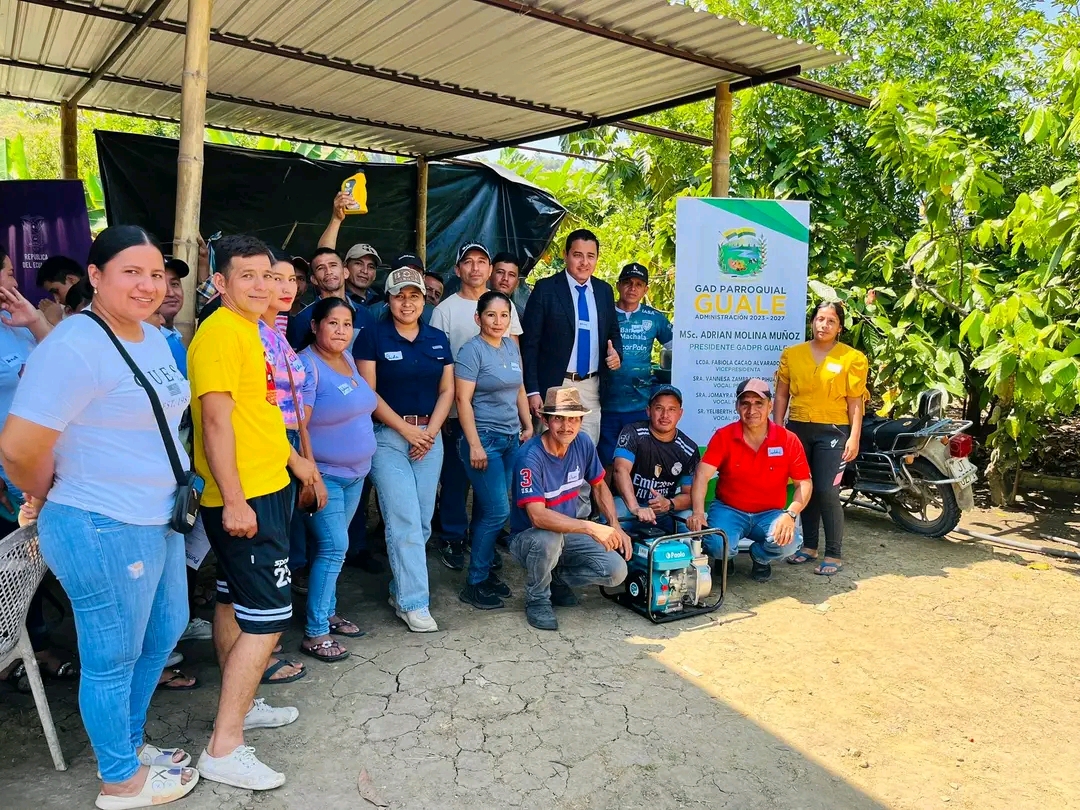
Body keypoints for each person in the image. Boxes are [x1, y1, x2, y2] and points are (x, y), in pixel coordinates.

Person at [0, 226, 199, 807]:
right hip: (101, 521)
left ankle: (128, 745)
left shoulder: (152, 337)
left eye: (155, 273)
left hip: (158, 514)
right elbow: (18, 448)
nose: (147, 284)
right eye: (131, 272)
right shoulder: (74, 345)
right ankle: (120, 781)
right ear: (95, 276)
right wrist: (42, 493)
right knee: (113, 656)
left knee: (164, 630)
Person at [188, 234, 308, 790]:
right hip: (246, 496)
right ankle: (224, 747)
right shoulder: (219, 334)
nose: (263, 285)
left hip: (268, 482)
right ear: (220, 281)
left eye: (269, 274)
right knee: (268, 617)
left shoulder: (251, 329)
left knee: (233, 600)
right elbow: (215, 423)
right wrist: (234, 500)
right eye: (248, 275)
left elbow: (258, 412)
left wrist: (293, 462)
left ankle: (244, 705)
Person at [354, 267, 454, 633]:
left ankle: (401, 591)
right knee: (405, 520)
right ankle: (415, 603)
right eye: (399, 296)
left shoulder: (437, 338)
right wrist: (407, 430)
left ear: (424, 299)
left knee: (422, 521)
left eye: (414, 295)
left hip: (430, 437)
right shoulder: (372, 336)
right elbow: (368, 393)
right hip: (388, 437)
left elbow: (447, 390)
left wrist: (430, 432)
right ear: (389, 300)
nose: (407, 302)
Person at [431, 242, 524, 570]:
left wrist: (523, 418)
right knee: (456, 480)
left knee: (492, 489)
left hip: (500, 416)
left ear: (489, 268)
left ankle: (482, 539)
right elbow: (437, 362)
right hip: (459, 411)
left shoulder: (503, 306)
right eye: (467, 262)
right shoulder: (445, 310)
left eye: (481, 261)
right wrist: (443, 410)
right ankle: (453, 537)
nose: (475, 268)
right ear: (457, 270)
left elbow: (513, 360)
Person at [508, 386, 631, 631]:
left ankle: (555, 578)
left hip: (568, 533)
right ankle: (537, 599)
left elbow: (599, 485)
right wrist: (590, 527)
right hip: (529, 538)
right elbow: (537, 516)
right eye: (559, 419)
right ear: (545, 420)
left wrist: (615, 525)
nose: (567, 426)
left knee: (616, 572)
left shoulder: (583, 442)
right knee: (548, 539)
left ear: (581, 421)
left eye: (573, 419)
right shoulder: (529, 457)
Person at [256, 249, 323, 685]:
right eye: (273, 278)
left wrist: (305, 455)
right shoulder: (252, 334)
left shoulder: (277, 330)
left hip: (289, 442)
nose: (285, 287)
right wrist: (294, 457)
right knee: (266, 552)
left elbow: (294, 405)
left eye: (291, 280)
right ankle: (261, 651)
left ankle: (266, 646)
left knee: (278, 543)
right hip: (271, 447)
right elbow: (259, 412)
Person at [298, 297, 377, 659]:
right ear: (315, 326)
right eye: (333, 323)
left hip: (355, 474)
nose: (341, 331)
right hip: (325, 475)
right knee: (334, 548)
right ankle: (315, 632)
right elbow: (297, 427)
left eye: (347, 324)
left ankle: (327, 612)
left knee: (331, 550)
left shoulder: (346, 358)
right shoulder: (307, 366)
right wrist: (310, 474)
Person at [773, 301, 868, 576]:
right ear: (812, 321)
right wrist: (778, 428)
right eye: (820, 319)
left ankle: (834, 553)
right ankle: (809, 547)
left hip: (834, 432)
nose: (824, 325)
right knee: (804, 486)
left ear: (839, 328)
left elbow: (855, 402)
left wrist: (854, 437)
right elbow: (781, 395)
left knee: (827, 490)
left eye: (831, 321)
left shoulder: (852, 358)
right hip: (798, 429)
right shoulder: (792, 354)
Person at [687, 379, 812, 583]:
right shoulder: (724, 436)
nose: (751, 410)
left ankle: (760, 557)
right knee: (717, 545)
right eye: (745, 403)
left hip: (770, 513)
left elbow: (804, 483)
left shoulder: (788, 439)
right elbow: (702, 475)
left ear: (770, 406)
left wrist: (790, 514)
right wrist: (698, 513)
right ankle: (725, 558)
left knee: (790, 542)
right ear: (737, 407)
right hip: (729, 509)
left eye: (758, 403)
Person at [454, 291, 533, 609]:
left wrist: (528, 424)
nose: (498, 321)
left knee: (492, 510)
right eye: (491, 315)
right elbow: (462, 400)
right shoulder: (471, 350)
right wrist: (474, 444)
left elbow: (520, 389)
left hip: (511, 438)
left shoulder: (511, 346)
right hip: (483, 440)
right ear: (478, 318)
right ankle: (474, 582)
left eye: (504, 315)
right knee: (498, 511)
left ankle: (484, 572)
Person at [520, 229, 622, 446]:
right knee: (551, 451)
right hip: (556, 384)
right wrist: (533, 390)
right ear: (565, 255)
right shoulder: (546, 289)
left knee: (586, 449)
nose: (584, 262)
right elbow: (529, 345)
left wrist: (616, 355)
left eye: (590, 256)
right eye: (578, 255)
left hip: (591, 386)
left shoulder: (604, 291)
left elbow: (613, 332)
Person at [598, 263, 673, 466]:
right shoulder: (602, 313)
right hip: (605, 403)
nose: (632, 288)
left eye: (639, 284)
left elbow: (678, 348)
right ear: (618, 285)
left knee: (637, 461)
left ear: (646, 289)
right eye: (627, 283)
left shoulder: (654, 318)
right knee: (605, 461)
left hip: (640, 405)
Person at [610, 385, 698, 534]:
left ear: (680, 413)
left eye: (671, 409)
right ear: (648, 411)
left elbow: (690, 495)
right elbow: (620, 470)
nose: (665, 415)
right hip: (628, 505)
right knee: (612, 517)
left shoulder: (689, 448)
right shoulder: (633, 432)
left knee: (691, 521)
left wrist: (669, 503)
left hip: (664, 510)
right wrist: (635, 507)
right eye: (659, 408)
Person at [286, 247, 375, 351]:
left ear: (346, 272)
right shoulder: (303, 319)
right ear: (314, 279)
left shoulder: (365, 314)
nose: (328, 272)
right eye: (320, 268)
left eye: (333, 265)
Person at [158, 257, 190, 375]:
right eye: (162, 285)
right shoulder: (145, 341)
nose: (171, 293)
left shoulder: (173, 335)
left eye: (175, 284)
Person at [36, 254, 85, 324]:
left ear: (71, 279)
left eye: (56, 291)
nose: (57, 300)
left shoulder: (97, 306)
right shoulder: (63, 311)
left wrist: (57, 320)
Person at [490, 251, 531, 317]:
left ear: (517, 283)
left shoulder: (521, 317)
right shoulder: (475, 305)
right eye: (500, 272)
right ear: (490, 274)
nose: (505, 278)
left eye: (511, 275)